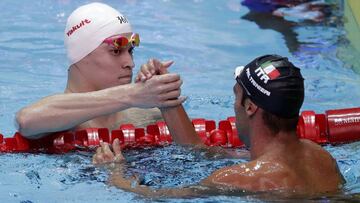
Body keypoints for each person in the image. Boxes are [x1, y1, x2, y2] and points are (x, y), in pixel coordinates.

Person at [93, 54, 345, 197]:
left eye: (236, 97)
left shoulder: (246, 178)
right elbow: (199, 152)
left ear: (250, 107)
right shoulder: (321, 157)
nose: (234, 108)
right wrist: (167, 100)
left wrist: (115, 175)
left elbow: (159, 197)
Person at [15, 3, 185, 139]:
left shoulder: (144, 114)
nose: (130, 63)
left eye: (130, 51)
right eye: (116, 51)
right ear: (81, 54)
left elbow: (200, 153)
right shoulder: (54, 119)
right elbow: (26, 120)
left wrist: (165, 98)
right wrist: (132, 95)